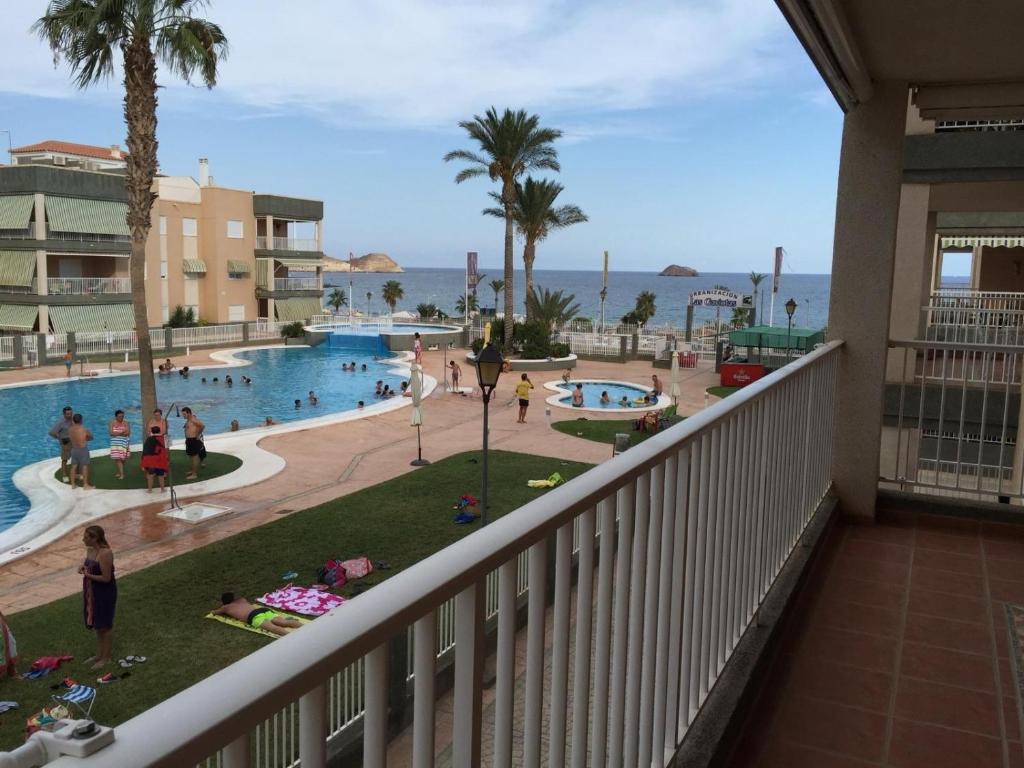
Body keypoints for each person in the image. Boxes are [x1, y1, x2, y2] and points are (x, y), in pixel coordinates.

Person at [79, 525, 116, 669]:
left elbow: (106, 578)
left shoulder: (105, 553)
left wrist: (88, 575)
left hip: (104, 592)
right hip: (91, 591)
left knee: (105, 625)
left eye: (86, 537)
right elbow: (88, 565)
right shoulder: (90, 550)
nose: (83, 540)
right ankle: (99, 655)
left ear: (94, 538)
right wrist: (82, 567)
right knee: (97, 624)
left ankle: (106, 658)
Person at [214, 593, 302, 637]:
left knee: (273, 628)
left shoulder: (226, 607)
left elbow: (215, 612)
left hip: (253, 616)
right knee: (284, 622)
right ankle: (305, 627)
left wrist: (220, 608)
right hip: (263, 610)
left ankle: (291, 637)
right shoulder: (242, 600)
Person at [49, 406, 75, 483]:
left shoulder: (73, 420)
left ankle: (74, 473)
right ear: (64, 414)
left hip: (73, 441)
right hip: (66, 442)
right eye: (68, 414)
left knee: (76, 457)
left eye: (71, 413)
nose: (70, 415)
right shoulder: (61, 422)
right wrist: (59, 439)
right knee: (64, 459)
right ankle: (64, 475)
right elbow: (51, 432)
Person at [139, 426, 168, 493]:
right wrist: (167, 460)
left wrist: (143, 463)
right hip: (160, 460)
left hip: (151, 461)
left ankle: (149, 490)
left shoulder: (149, 439)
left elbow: (145, 451)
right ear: (160, 431)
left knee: (150, 475)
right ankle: (162, 489)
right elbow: (166, 450)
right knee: (161, 475)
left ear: (151, 432)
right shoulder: (165, 438)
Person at [68, 414, 94, 490]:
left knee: (73, 467)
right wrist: (85, 438)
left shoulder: (70, 429)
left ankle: (73, 485)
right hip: (82, 450)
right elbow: (91, 437)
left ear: (73, 420)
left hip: (74, 449)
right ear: (81, 420)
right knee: (85, 466)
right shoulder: (84, 429)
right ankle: (85, 485)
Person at [181, 407, 205, 480]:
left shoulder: (193, 419)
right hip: (189, 440)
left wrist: (198, 434)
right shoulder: (189, 420)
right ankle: (192, 471)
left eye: (184, 414)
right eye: (183, 414)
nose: (183, 416)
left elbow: (202, 425)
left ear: (189, 413)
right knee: (191, 456)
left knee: (194, 457)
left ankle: (194, 474)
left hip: (193, 440)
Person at [107, 410, 130, 480]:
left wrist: (117, 433)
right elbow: (111, 433)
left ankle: (120, 471)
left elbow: (128, 433)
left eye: (122, 416)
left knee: (123, 459)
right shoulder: (112, 423)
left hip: (124, 443)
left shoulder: (126, 423)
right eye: (120, 416)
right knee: (118, 459)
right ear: (116, 416)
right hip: (115, 444)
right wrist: (122, 433)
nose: (121, 418)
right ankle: (122, 474)